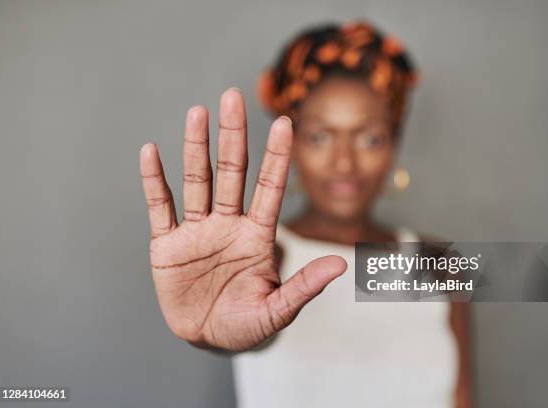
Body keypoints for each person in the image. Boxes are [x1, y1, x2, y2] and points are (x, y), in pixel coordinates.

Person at [139, 21, 471, 408]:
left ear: (394, 145)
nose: (344, 163)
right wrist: (207, 335)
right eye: (319, 137)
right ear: (292, 146)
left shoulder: (442, 261)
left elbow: (464, 398)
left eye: (369, 138)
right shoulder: (266, 257)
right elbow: (251, 321)